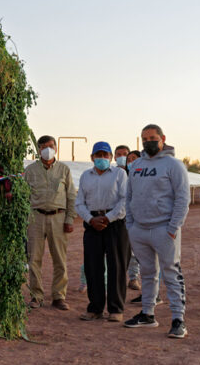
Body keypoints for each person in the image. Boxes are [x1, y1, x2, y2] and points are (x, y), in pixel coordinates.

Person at [123, 124, 190, 339]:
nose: (148, 141)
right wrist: (131, 225)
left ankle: (178, 319)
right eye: (144, 138)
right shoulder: (137, 166)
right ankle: (147, 314)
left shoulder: (174, 165)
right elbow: (129, 196)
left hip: (164, 229)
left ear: (162, 138)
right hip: (139, 230)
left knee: (171, 272)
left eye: (152, 137)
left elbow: (182, 198)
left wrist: (173, 227)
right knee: (148, 272)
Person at [75, 141, 129, 322]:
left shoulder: (120, 174)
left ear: (111, 158)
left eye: (105, 155)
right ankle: (95, 307)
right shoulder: (85, 176)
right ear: (92, 158)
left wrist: (108, 218)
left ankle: (116, 308)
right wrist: (91, 219)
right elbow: (79, 203)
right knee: (93, 267)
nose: (102, 158)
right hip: (92, 224)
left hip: (115, 224)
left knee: (117, 267)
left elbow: (125, 200)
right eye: (98, 155)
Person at [23, 135, 76, 311]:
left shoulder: (64, 170)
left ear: (55, 148)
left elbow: (71, 195)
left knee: (59, 259)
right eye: (43, 147)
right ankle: (36, 296)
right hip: (35, 217)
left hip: (58, 218)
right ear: (38, 150)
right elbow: (24, 196)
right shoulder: (30, 171)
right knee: (34, 259)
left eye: (50, 146)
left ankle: (59, 296)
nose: (47, 149)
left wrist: (70, 219)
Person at [122, 148, 142, 291]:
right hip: (121, 219)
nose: (130, 162)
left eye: (134, 159)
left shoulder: (146, 178)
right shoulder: (122, 177)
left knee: (135, 251)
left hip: (139, 220)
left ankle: (133, 278)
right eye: (129, 160)